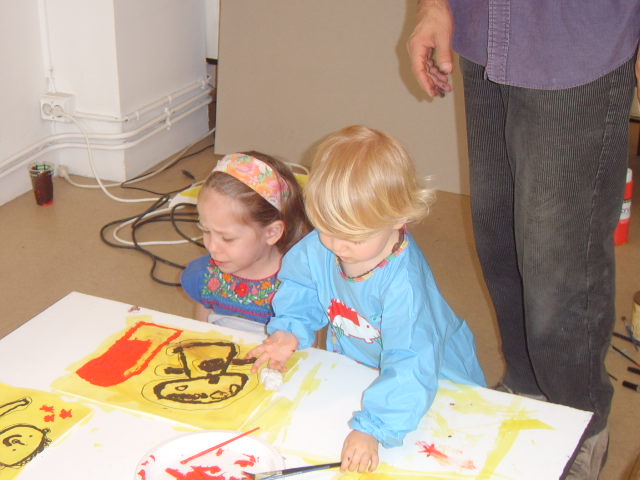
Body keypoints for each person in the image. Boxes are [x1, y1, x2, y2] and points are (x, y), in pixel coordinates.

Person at [407, 2, 640, 479]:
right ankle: (527, 384)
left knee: (559, 257)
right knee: (500, 235)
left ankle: (580, 419)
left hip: (576, 41)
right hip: (485, 28)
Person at [247, 125, 486, 473]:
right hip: (367, 368)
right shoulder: (325, 244)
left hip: (432, 383)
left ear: (398, 217)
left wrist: (374, 427)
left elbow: (411, 361)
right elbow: (303, 285)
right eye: (326, 229)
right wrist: (290, 329)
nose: (337, 246)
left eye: (353, 237)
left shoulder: (404, 287)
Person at [181, 151, 311, 332]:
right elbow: (202, 328)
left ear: (271, 233)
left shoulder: (296, 287)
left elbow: (308, 339)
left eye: (227, 238)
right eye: (206, 230)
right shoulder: (205, 275)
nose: (212, 247)